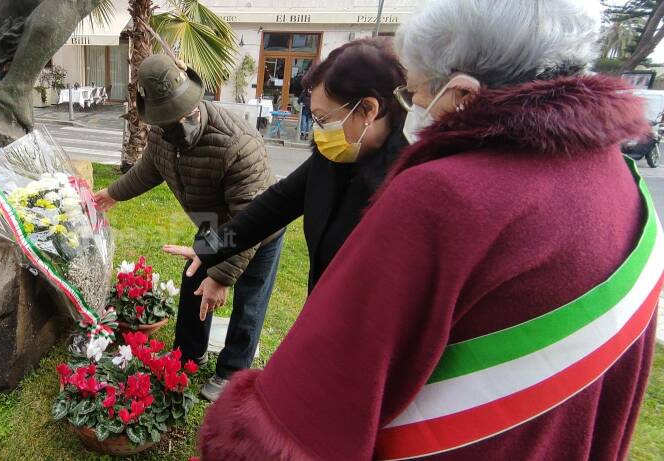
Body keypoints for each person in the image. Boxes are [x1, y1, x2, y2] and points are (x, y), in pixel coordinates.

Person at [197, 1, 660, 460]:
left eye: (415, 93)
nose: (414, 105)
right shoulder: (619, 177)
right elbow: (278, 201)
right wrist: (213, 247)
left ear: (461, 95)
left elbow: (310, 408)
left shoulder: (433, 190)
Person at [93, 54, 284, 402]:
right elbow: (150, 168)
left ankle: (232, 371)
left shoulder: (238, 143)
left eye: (187, 114)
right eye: (168, 121)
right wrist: (111, 193)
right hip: (213, 221)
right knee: (195, 278)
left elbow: (251, 215)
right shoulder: (163, 133)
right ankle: (188, 353)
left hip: (259, 226)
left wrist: (223, 274)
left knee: (249, 300)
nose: (178, 126)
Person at [163, 38, 407, 295]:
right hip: (323, 304)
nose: (318, 130)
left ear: (368, 109)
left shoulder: (405, 185)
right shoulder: (333, 155)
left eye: (324, 119)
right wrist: (209, 247)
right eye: (314, 118)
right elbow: (276, 204)